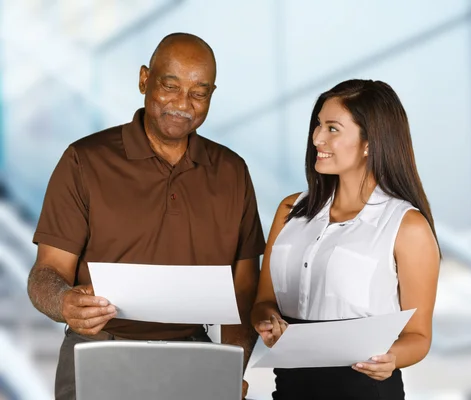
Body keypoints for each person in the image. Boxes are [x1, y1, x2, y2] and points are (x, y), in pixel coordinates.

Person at [27, 33, 264, 400]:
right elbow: (47, 272)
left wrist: (233, 364)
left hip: (195, 356)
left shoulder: (232, 172)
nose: (183, 104)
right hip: (98, 352)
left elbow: (244, 287)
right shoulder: (84, 161)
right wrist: (64, 302)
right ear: (143, 80)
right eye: (170, 86)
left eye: (199, 93)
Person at [251, 79, 440, 399]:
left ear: (369, 142)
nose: (316, 137)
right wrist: (267, 321)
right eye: (317, 125)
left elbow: (419, 336)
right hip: (290, 389)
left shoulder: (406, 227)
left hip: (364, 390)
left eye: (332, 128)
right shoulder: (289, 210)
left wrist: (392, 358)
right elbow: (263, 302)